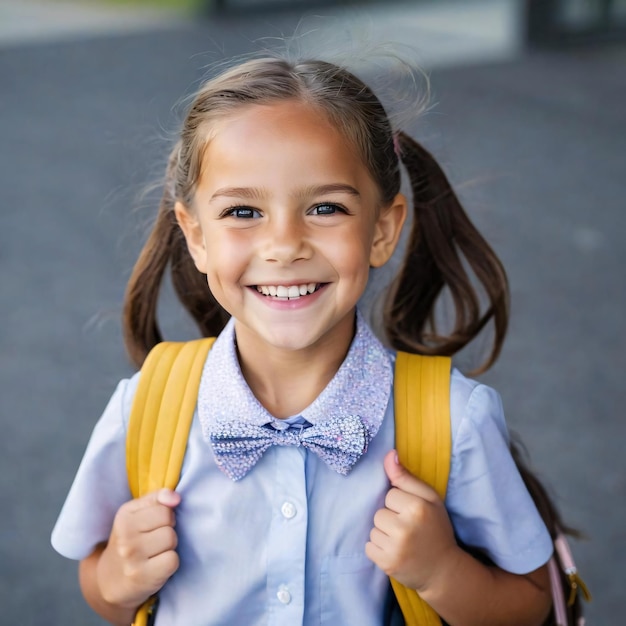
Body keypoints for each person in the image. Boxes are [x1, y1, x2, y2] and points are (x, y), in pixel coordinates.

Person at [51, 55, 554, 625]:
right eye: (243, 211)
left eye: (325, 208)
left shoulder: (456, 420)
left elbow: (530, 602)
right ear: (195, 236)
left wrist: (442, 572)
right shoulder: (144, 407)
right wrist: (117, 577)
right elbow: (103, 589)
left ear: (382, 230)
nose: (284, 245)